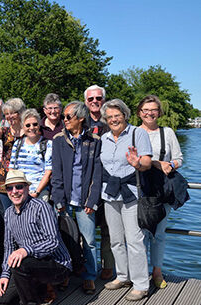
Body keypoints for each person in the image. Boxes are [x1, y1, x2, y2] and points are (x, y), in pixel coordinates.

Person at [0, 170, 71, 305]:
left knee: (21, 265)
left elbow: (53, 242)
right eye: (10, 188)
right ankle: (39, 289)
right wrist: (5, 274)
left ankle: (31, 302)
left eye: (19, 186)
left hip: (57, 264)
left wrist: (26, 250)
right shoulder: (8, 214)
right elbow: (9, 247)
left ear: (27, 187)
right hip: (29, 265)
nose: (14, 191)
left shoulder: (41, 207)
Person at [100, 99, 152, 301]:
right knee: (115, 239)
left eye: (117, 115)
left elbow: (147, 161)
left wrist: (138, 163)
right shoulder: (104, 138)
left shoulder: (137, 133)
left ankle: (141, 284)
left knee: (134, 240)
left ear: (125, 115)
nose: (114, 119)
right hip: (109, 192)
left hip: (130, 193)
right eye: (110, 116)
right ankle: (123, 276)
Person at [51, 101, 102, 294]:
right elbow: (56, 173)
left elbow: (97, 175)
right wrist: (58, 200)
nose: (64, 120)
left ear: (81, 118)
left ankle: (89, 277)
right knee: (63, 239)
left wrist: (92, 200)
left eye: (67, 117)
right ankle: (64, 274)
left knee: (88, 240)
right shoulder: (58, 140)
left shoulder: (94, 141)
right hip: (64, 200)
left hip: (84, 201)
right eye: (64, 117)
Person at [137, 95, 183, 289]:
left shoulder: (168, 132)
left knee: (159, 233)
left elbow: (180, 158)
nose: (150, 113)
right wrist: (157, 163)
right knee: (139, 235)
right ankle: (139, 274)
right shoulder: (132, 132)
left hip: (161, 189)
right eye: (146, 110)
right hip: (138, 189)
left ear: (159, 112)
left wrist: (171, 164)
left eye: (153, 109)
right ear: (139, 112)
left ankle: (157, 270)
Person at [84, 84, 114, 280]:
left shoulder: (112, 121)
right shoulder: (79, 120)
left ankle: (108, 266)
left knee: (108, 228)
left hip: (109, 181)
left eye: (98, 98)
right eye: (91, 99)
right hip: (85, 183)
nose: (95, 102)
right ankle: (85, 266)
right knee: (84, 231)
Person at [0, 94, 26, 210]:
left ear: (21, 113)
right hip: (5, 178)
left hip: (24, 176)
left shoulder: (29, 129)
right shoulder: (5, 131)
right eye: (7, 114)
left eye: (13, 113)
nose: (9, 116)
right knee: (7, 212)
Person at [9, 109, 52, 201]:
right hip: (19, 192)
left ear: (39, 125)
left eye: (35, 124)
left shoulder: (47, 144)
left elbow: (48, 172)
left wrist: (36, 192)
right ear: (23, 127)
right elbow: (12, 169)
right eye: (28, 125)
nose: (31, 128)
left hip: (39, 193)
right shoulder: (17, 143)